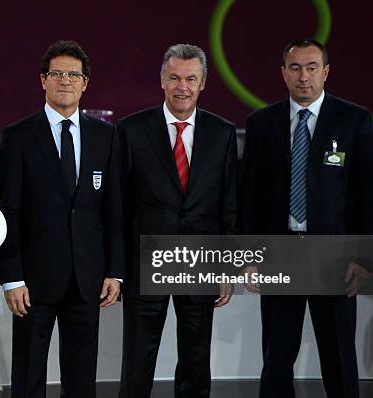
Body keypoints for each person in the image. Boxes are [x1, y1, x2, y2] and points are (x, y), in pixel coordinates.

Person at [241, 39, 373, 398]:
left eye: (311, 67)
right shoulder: (261, 123)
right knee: (276, 359)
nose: (303, 76)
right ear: (283, 73)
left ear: (326, 71)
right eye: (295, 68)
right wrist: (250, 257)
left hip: (336, 258)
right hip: (280, 254)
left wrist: (364, 259)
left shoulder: (354, 120)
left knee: (338, 356)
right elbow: (250, 197)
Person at [0, 40, 124, 398]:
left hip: (88, 278)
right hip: (32, 282)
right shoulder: (18, 136)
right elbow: (9, 213)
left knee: (82, 375)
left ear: (85, 83)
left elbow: (112, 210)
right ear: (43, 80)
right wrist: (11, 277)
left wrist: (115, 269)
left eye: (73, 74)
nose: (65, 80)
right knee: (29, 371)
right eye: (57, 73)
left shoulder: (107, 137)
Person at [117, 43, 238, 398]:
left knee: (196, 361)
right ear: (162, 80)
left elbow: (228, 204)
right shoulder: (131, 130)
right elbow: (119, 206)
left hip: (200, 264)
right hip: (146, 262)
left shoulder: (222, 132)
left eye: (190, 78)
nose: (182, 86)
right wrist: (118, 267)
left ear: (203, 83)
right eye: (174, 78)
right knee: (138, 359)